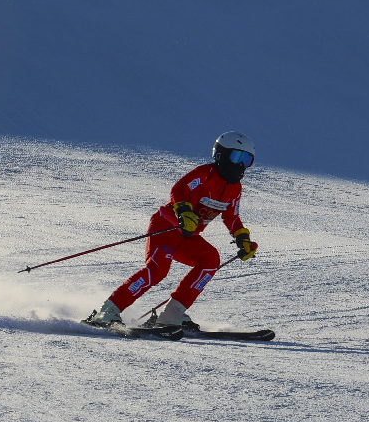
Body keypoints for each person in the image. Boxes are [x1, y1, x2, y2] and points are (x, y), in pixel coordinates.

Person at [88, 131, 258, 328]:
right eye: (237, 157)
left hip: (187, 236)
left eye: (247, 160)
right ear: (220, 155)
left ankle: (173, 313)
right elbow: (179, 189)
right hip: (165, 227)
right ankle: (108, 310)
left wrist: (242, 238)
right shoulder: (205, 174)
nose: (240, 165)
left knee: (210, 259)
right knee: (158, 269)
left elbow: (231, 216)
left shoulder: (234, 189)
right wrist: (184, 211)